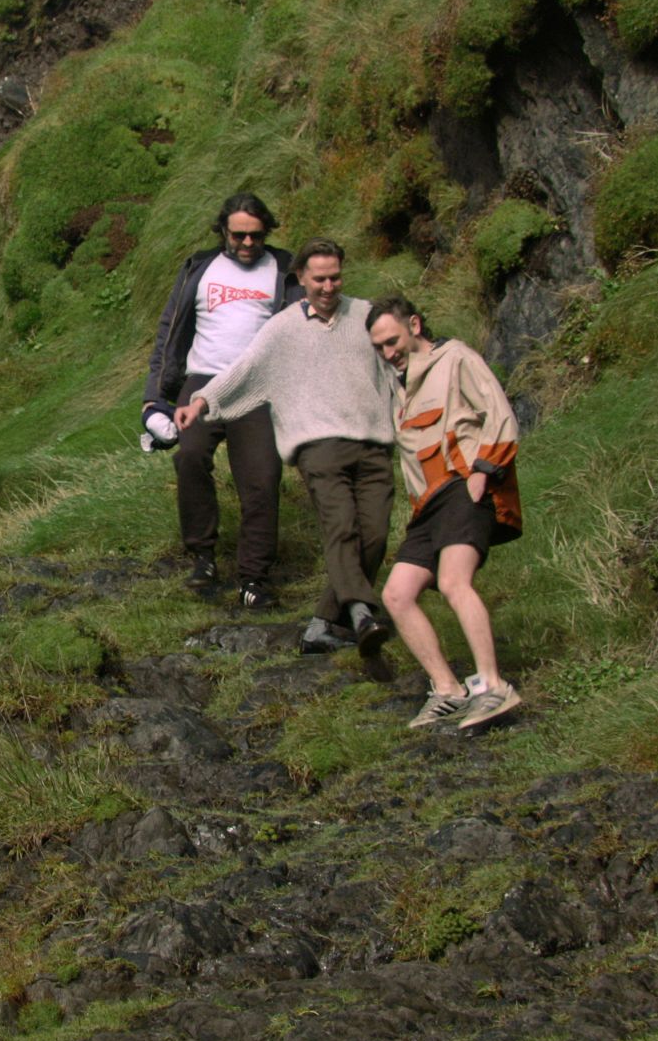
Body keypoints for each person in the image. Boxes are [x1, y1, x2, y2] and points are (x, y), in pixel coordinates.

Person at [176, 238, 396, 656]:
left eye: (335, 278)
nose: (328, 287)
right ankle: (361, 613)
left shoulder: (366, 315)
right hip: (318, 446)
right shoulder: (282, 328)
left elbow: (398, 360)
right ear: (301, 279)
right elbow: (245, 370)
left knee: (375, 535)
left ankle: (323, 623)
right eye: (320, 279)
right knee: (341, 527)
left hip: (373, 443)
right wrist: (201, 401)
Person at [367, 296, 524, 730]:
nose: (388, 353)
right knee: (397, 595)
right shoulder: (399, 387)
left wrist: (483, 473)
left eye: (392, 341)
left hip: (462, 485)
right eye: (379, 347)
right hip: (428, 507)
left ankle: (493, 685)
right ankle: (448, 690)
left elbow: (500, 414)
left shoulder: (455, 358)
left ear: (415, 325)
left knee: (455, 581)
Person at [143, 193, 300, 607]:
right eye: (238, 235)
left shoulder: (284, 269)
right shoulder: (199, 267)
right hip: (201, 382)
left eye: (256, 235)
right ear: (223, 232)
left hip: (257, 386)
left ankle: (253, 579)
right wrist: (153, 398)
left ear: (266, 232)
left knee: (262, 477)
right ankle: (203, 557)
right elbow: (168, 331)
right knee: (190, 458)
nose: (247, 243)